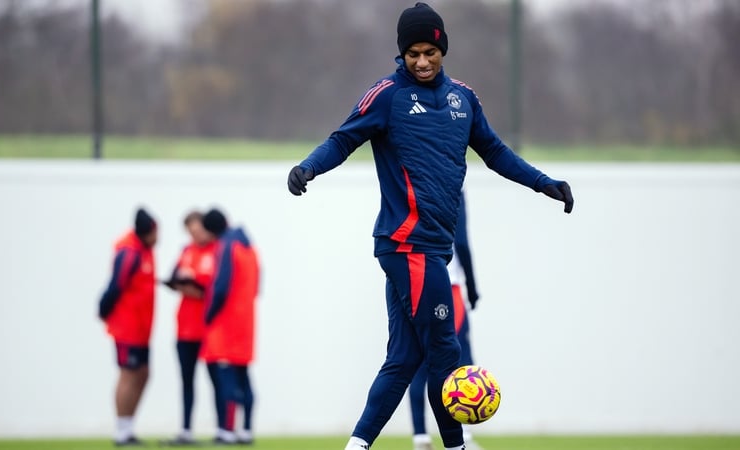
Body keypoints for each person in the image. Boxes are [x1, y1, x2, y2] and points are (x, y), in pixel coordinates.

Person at [286, 3, 574, 450]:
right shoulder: (387, 95)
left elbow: (496, 153)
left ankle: (357, 445)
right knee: (446, 350)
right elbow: (344, 138)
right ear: (401, 54)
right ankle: (456, 447)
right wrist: (308, 168)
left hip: (435, 248)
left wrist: (545, 184)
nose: (421, 61)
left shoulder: (464, 99)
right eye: (412, 53)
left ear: (443, 49)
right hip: (407, 243)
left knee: (403, 358)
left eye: (429, 52)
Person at [409, 192, 482, 450]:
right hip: (447, 287)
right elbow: (461, 244)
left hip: (415, 281)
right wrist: (472, 289)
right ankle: (464, 438)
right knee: (460, 363)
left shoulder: (413, 188)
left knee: (418, 362)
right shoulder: (453, 192)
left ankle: (420, 436)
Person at [198, 208, 260, 445]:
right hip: (246, 322)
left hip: (226, 324)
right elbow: (257, 286)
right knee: (244, 377)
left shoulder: (226, 246)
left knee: (226, 380)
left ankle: (226, 430)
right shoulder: (250, 248)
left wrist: (209, 314)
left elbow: (221, 286)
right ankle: (246, 430)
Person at [98, 207, 158, 447]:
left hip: (141, 328)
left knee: (142, 373)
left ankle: (128, 426)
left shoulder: (144, 251)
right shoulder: (129, 253)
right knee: (128, 374)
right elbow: (115, 286)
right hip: (128, 328)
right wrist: (104, 311)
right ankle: (121, 430)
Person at [163, 211, 219, 445]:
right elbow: (174, 275)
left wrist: (199, 288)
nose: (195, 235)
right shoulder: (187, 251)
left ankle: (223, 430)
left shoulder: (217, 251)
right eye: (191, 231)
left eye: (198, 230)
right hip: (185, 328)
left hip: (208, 329)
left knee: (217, 381)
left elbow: (218, 287)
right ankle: (186, 430)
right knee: (187, 381)